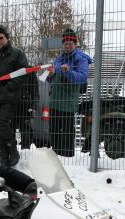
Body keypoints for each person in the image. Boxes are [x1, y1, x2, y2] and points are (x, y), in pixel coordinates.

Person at [0, 24, 29, 167]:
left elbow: (23, 73)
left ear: (7, 38)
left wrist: (8, 88)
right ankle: (4, 157)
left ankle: (12, 149)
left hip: (11, 97)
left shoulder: (17, 54)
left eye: (1, 38)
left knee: (2, 123)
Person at [47, 28, 91, 158]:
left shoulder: (81, 59)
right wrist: (51, 74)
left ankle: (67, 157)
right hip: (55, 100)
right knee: (54, 130)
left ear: (75, 44)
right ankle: (55, 155)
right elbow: (51, 79)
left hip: (68, 102)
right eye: (65, 43)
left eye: (70, 43)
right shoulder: (58, 59)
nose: (67, 46)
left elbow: (82, 77)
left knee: (67, 131)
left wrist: (68, 72)